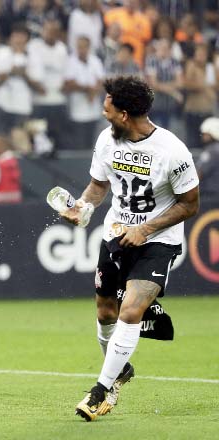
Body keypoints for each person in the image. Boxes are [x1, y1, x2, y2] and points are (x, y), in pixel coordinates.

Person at [61, 76, 199, 421]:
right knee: (106, 311)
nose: (104, 118)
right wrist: (82, 207)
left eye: (108, 112)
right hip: (116, 236)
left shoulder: (172, 151)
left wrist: (147, 228)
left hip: (158, 242)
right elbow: (98, 185)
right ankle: (120, 371)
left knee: (131, 311)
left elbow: (190, 204)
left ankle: (100, 390)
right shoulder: (107, 140)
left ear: (124, 115)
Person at [197, 117, 219, 201]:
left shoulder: (212, 151)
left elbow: (199, 174)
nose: (203, 136)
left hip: (210, 196)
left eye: (206, 134)